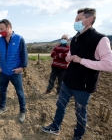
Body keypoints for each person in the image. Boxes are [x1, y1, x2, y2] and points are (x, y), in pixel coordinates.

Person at [41, 8, 112, 140]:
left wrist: (81, 60)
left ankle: (77, 136)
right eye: (75, 19)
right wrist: (68, 57)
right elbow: (70, 56)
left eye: (78, 19)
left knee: (80, 113)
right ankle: (55, 127)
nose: (75, 22)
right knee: (60, 105)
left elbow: (109, 64)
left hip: (84, 86)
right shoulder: (75, 39)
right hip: (68, 81)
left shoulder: (100, 39)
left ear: (89, 20)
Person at [0, 19, 28, 123]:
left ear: (9, 27)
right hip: (3, 71)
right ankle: (2, 107)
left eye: (2, 29)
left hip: (15, 72)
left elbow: (24, 54)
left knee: (19, 92)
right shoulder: (0, 40)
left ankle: (23, 111)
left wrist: (22, 68)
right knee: (2, 90)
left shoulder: (19, 39)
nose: (0, 31)